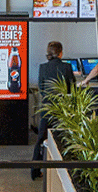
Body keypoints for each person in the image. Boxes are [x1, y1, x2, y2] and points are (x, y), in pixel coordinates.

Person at [31, 41, 76, 180]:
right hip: (62, 110)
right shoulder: (67, 67)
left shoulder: (43, 67)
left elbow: (42, 89)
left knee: (41, 139)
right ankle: (64, 172)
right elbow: (72, 89)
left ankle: (35, 171)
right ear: (61, 53)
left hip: (47, 108)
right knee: (64, 139)